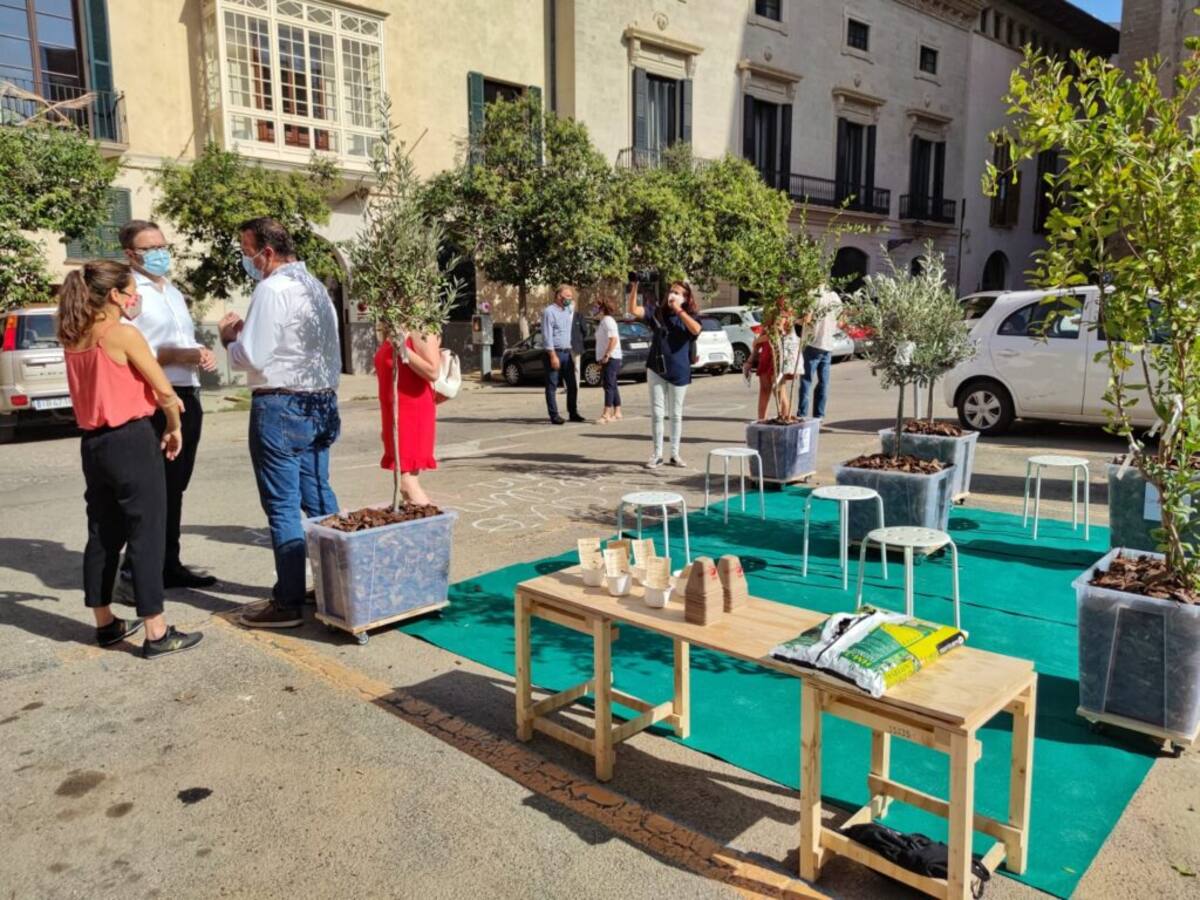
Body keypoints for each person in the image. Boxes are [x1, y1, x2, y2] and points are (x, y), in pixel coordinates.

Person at [57, 260, 203, 658]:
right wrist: (173, 425)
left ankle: (105, 622)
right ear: (115, 295)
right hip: (131, 439)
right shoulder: (122, 334)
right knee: (146, 532)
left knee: (103, 533)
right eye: (130, 292)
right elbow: (165, 390)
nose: (135, 298)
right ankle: (157, 630)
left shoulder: (74, 336)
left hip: (94, 443)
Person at [219, 217, 342, 629]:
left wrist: (229, 339)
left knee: (284, 506)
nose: (246, 260)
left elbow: (252, 356)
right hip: (320, 401)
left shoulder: (272, 289)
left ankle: (287, 602)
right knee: (319, 499)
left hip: (281, 404)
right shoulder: (315, 287)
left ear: (267, 252)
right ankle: (335, 586)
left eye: (247, 251)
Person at [117, 219, 218, 589]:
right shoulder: (128, 292)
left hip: (187, 393)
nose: (160, 254)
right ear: (131, 254)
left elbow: (179, 341)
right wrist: (181, 354)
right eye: (151, 249)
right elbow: (135, 352)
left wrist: (199, 353)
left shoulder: (172, 291)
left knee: (175, 486)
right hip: (154, 398)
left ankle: (167, 564)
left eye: (163, 246)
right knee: (152, 490)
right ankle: (135, 572)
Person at [627, 276, 702, 468]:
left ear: (685, 298)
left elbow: (696, 330)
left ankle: (675, 454)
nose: (672, 295)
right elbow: (633, 310)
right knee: (657, 413)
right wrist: (634, 287)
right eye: (671, 291)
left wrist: (679, 310)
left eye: (677, 293)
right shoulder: (657, 312)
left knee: (675, 414)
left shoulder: (690, 315)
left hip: (679, 370)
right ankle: (657, 454)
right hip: (657, 368)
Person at [375, 330, 442, 506]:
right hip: (394, 414)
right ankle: (424, 520)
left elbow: (433, 371)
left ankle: (433, 522)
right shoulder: (392, 327)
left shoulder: (420, 329)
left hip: (412, 413)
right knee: (404, 484)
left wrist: (402, 348)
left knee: (407, 484)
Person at [746, 299, 800, 421]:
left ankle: (785, 421)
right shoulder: (770, 308)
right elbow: (764, 331)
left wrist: (758, 341)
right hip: (767, 352)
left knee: (779, 390)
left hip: (778, 353)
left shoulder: (785, 310)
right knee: (765, 389)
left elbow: (778, 332)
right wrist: (751, 357)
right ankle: (762, 421)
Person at [541, 284, 584, 425]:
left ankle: (573, 412)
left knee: (572, 385)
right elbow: (547, 336)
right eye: (568, 297)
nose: (570, 299)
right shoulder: (549, 312)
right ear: (559, 296)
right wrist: (552, 356)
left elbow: (574, 310)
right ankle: (554, 415)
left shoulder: (566, 310)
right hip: (555, 352)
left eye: (571, 297)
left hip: (567, 353)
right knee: (552, 385)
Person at [798, 287, 843, 419]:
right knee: (824, 382)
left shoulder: (811, 294)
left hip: (812, 343)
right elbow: (841, 321)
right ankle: (819, 416)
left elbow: (806, 320)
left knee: (806, 381)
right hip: (827, 344)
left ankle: (802, 415)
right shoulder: (834, 296)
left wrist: (795, 320)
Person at [594, 298, 623, 423]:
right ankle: (617, 411)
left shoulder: (608, 321)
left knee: (608, 385)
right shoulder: (604, 321)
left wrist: (607, 355)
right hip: (607, 357)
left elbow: (613, 339)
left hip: (611, 358)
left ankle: (606, 414)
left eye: (596, 307)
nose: (594, 309)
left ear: (602, 309)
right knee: (612, 384)